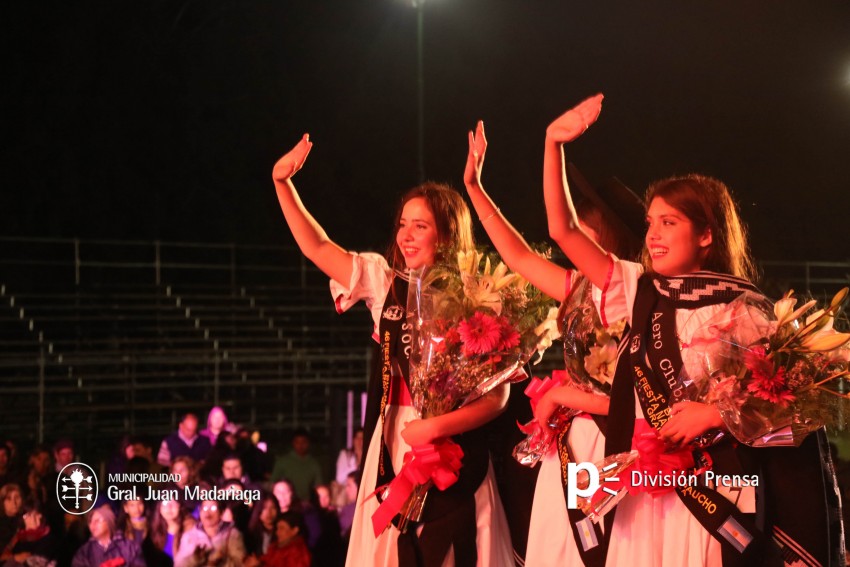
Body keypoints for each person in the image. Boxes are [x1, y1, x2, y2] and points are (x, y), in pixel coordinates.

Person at [538, 94, 842, 566]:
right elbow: (564, 231)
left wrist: (714, 416)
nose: (653, 234)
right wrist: (553, 144)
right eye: (650, 223)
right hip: (641, 488)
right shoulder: (637, 287)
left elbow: (791, 408)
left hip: (715, 489)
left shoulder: (744, 308)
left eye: (669, 222)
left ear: (706, 234)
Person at [272, 135, 513, 566]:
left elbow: (498, 396)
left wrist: (436, 429)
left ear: (448, 230)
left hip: (455, 451)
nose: (405, 234)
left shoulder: (480, 298)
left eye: (420, 225)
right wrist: (282, 184)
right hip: (394, 444)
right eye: (403, 223)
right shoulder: (385, 284)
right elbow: (317, 247)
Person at [462, 120, 644, 566]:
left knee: (594, 551)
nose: (574, 238)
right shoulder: (582, 286)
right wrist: (474, 189)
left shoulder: (626, 285)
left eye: (586, 229)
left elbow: (637, 398)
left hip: (609, 443)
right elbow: (520, 256)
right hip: (574, 442)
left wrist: (552, 146)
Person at [174, 497, 245, 567]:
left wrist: (218, 561)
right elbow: (179, 564)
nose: (207, 513)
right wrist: (195, 559)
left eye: (213, 508)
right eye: (204, 508)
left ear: (221, 512)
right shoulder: (189, 536)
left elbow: (240, 562)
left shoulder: (232, 534)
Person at [71, 505, 145, 567]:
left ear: (109, 522)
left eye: (97, 521)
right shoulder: (84, 552)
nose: (92, 525)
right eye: (90, 522)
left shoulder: (130, 547)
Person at [270, 429, 322, 503]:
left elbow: (318, 486)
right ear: (293, 443)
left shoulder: (313, 464)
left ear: (308, 443)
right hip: (286, 503)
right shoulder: (282, 462)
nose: (300, 445)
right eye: (297, 442)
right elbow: (273, 484)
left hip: (306, 504)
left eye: (303, 442)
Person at [247, 512, 311, 567]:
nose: (277, 532)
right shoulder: (275, 548)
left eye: (282, 528)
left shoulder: (297, 554)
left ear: (294, 530)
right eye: (277, 528)